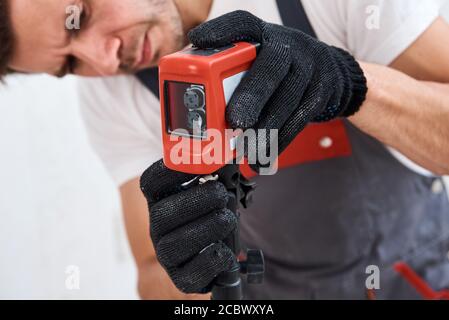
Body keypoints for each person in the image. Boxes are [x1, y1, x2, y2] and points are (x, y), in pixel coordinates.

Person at [1, 0, 449, 299]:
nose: (103, 60)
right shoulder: (113, 93)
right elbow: (152, 273)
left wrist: (349, 84)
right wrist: (200, 285)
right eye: (70, 64)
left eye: (78, 14)